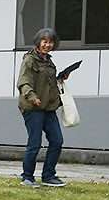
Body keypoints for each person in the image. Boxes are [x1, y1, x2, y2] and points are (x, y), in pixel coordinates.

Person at [16, 27, 72, 188]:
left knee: (57, 140)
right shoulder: (30, 59)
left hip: (48, 108)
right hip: (32, 108)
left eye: (51, 42)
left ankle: (48, 176)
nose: (48, 44)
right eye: (45, 41)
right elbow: (23, 82)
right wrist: (32, 96)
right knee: (34, 143)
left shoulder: (49, 61)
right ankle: (27, 177)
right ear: (38, 42)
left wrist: (60, 78)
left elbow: (48, 84)